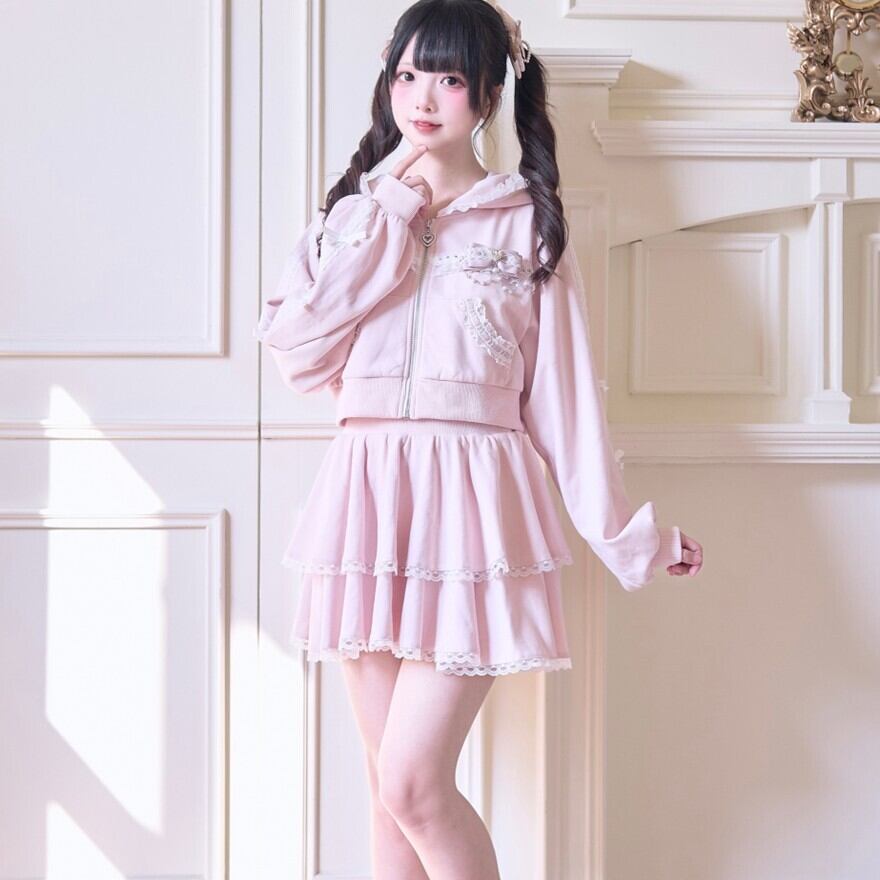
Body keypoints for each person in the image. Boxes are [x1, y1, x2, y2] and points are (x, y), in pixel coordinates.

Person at [255, 1, 704, 876]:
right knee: (388, 796)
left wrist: (632, 538)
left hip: (472, 506)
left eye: (450, 78)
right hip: (367, 498)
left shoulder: (527, 223)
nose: (423, 99)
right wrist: (387, 213)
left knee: (413, 784)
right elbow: (296, 354)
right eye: (408, 75)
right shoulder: (351, 217)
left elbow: (565, 406)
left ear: (490, 94)